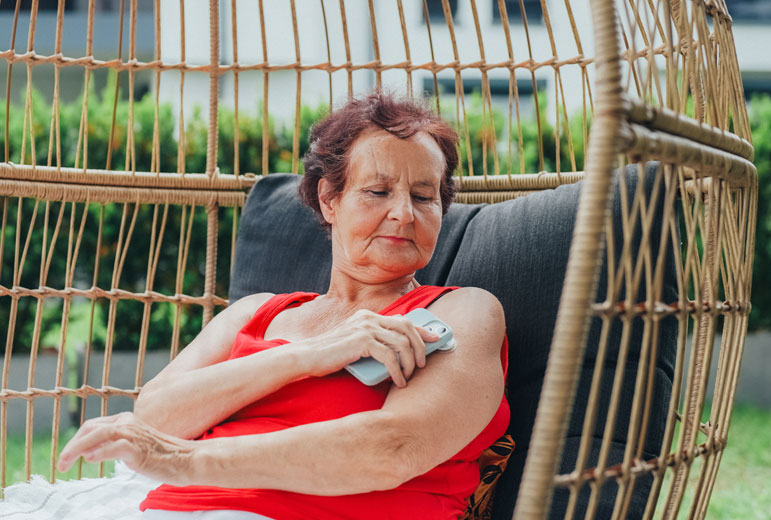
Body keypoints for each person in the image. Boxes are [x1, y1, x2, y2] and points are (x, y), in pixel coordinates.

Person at [57, 91, 510, 519]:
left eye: (423, 196)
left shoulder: (463, 313)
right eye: (377, 192)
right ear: (329, 199)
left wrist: (185, 460)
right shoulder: (257, 312)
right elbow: (156, 416)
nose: (404, 214)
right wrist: (308, 356)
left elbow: (394, 449)